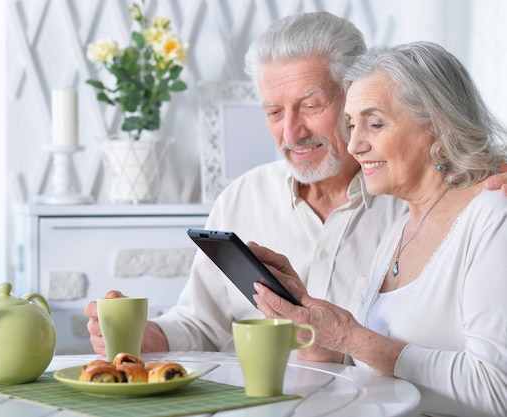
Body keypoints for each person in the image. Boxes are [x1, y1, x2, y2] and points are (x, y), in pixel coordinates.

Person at [85, 12, 507, 356]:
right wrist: (152, 337)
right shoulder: (242, 198)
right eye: (273, 112)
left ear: (354, 96)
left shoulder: (412, 196)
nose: (291, 132)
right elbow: (201, 321)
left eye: (311, 105)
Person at [252, 41, 507, 417]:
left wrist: (352, 336)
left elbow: (495, 390)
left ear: (438, 124)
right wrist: (309, 321)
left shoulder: (493, 215)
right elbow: (371, 366)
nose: (354, 145)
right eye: (352, 125)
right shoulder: (401, 227)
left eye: (375, 123)